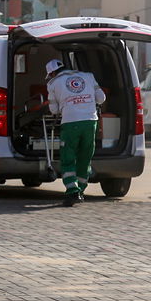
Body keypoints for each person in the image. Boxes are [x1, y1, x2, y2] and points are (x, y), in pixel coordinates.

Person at [45, 58, 106, 207]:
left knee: (68, 155)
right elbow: (101, 98)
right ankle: (81, 190)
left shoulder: (52, 84)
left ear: (52, 73)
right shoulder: (88, 76)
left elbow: (53, 110)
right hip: (91, 121)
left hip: (70, 123)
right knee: (85, 155)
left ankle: (73, 191)